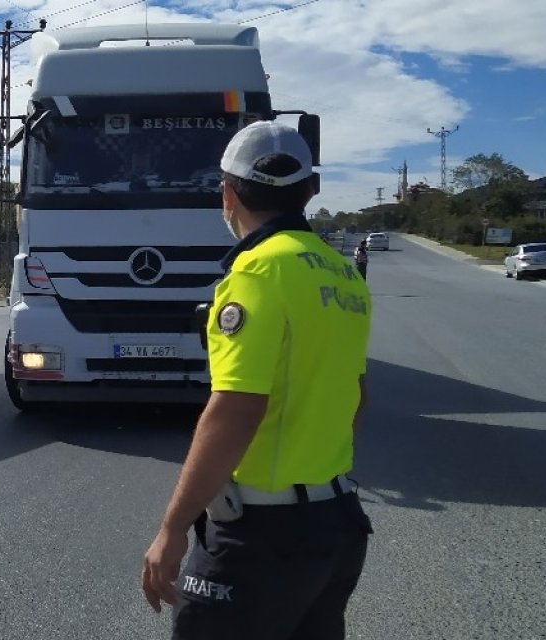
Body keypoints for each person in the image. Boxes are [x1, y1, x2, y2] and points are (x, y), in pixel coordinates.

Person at [141, 121, 374, 640]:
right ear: (309, 192)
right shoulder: (343, 274)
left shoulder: (256, 274)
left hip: (263, 540)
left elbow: (235, 409)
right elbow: (356, 396)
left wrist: (173, 529)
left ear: (228, 193)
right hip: (337, 525)